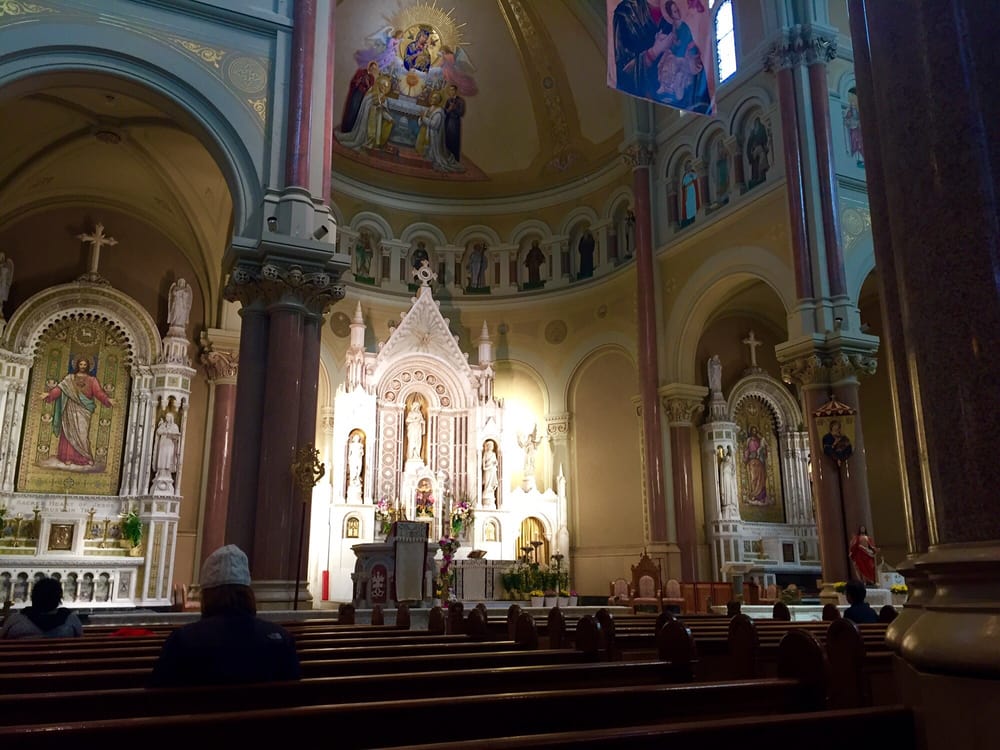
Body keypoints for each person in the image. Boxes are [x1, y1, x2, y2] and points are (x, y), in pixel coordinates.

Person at [149, 545, 300, 686]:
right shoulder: (281, 639)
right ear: (248, 594)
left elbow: (156, 696)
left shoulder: (183, 640)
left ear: (206, 596)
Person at [41, 357, 114, 466]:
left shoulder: (92, 380)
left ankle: (85, 457)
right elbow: (60, 389)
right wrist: (49, 394)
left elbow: (98, 392)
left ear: (88, 366)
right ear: (77, 365)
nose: (83, 367)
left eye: (85, 365)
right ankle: (67, 457)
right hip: (70, 407)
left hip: (84, 410)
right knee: (68, 432)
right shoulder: (69, 378)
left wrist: (107, 400)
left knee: (82, 434)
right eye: (81, 364)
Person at [612, 0, 671, 99]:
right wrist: (653, 52)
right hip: (645, 99)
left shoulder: (679, 9)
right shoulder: (625, 14)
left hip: (675, 96)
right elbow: (621, 73)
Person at [0, 576, 83, 639]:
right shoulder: (71, 620)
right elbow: (79, 638)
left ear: (33, 597)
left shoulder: (15, 620)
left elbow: (3, 638)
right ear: (59, 599)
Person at [340, 61, 379, 134]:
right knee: (352, 109)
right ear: (369, 66)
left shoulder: (372, 78)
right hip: (357, 93)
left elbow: (370, 88)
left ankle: (352, 130)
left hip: (363, 97)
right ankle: (346, 129)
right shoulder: (361, 72)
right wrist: (359, 80)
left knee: (358, 112)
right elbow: (354, 81)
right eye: (372, 67)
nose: (372, 69)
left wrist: (367, 84)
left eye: (374, 69)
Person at [743, 425, 769, 504]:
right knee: (753, 478)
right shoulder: (748, 440)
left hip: (759, 461)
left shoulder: (760, 440)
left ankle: (761, 497)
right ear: (751, 432)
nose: (754, 432)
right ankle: (753, 494)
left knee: (760, 478)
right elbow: (746, 449)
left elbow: (764, 448)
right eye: (752, 431)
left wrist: (762, 452)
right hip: (752, 461)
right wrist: (746, 457)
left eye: (755, 431)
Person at [443, 84, 465, 163]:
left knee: (454, 140)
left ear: (456, 91)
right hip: (448, 122)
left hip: (455, 123)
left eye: (453, 90)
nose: (451, 92)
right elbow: (445, 111)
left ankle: (454, 159)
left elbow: (461, 113)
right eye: (450, 90)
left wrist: (454, 108)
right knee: (447, 139)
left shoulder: (461, 101)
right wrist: (448, 109)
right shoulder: (448, 100)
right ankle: (446, 157)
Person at [746, 116, 770, 187]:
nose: (756, 124)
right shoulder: (753, 132)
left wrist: (760, 143)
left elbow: (764, 138)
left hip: (760, 148)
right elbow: (749, 144)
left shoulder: (761, 128)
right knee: (755, 164)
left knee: (762, 157)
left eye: (757, 122)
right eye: (755, 123)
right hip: (754, 151)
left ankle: (762, 174)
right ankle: (756, 177)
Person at [482, 440, 499, 506]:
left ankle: (490, 493)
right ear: (488, 446)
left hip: (492, 470)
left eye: (492, 446)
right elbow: (483, 462)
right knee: (487, 483)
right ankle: (486, 491)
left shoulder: (494, 454)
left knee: (491, 483)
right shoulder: (485, 454)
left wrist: (494, 463)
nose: (491, 447)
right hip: (487, 470)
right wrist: (485, 467)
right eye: (490, 445)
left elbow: (496, 462)